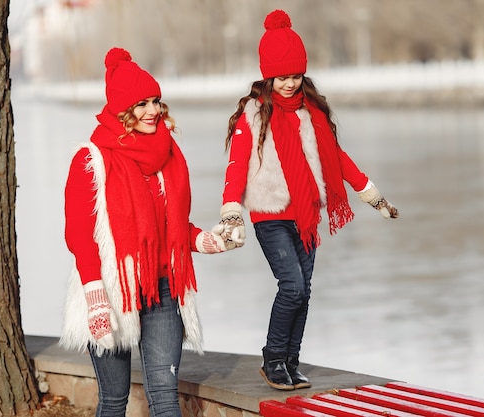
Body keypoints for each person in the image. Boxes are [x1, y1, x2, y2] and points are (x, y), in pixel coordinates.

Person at [218, 9, 399, 391]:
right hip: (270, 215)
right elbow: (236, 165)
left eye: (295, 76)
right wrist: (232, 211)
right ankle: (272, 360)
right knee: (293, 287)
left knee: (306, 289)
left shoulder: (311, 112)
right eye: (282, 77)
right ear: (269, 75)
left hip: (305, 214)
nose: (289, 84)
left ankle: (291, 362)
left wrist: (372, 195)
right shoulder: (252, 114)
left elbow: (337, 157)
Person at [60, 47, 239, 417]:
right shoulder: (91, 160)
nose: (153, 111)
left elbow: (171, 226)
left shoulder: (168, 156)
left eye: (156, 101)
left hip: (161, 289)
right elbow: (79, 235)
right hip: (112, 289)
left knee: (164, 397)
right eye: (141, 104)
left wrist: (205, 240)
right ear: (123, 111)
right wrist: (96, 297)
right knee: (113, 400)